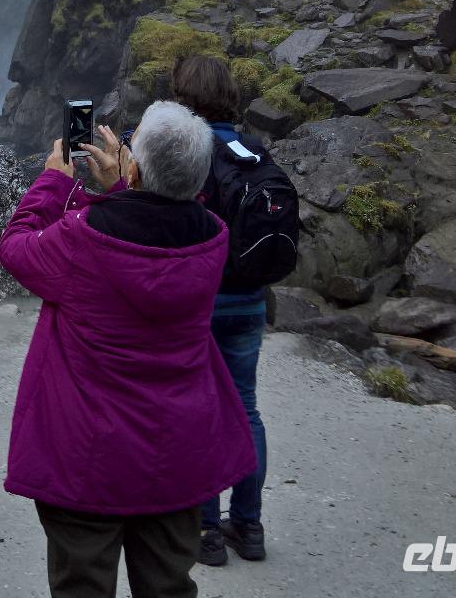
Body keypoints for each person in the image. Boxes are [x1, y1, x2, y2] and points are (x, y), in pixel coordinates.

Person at [0, 100, 256, 598]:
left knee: (83, 587)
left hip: (87, 454)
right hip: (176, 451)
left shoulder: (82, 239)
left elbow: (16, 249)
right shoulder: (212, 239)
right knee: (168, 586)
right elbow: (151, 240)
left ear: (134, 168)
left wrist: (52, 182)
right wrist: (123, 189)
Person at [169, 55, 268, 568]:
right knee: (245, 407)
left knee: (200, 409)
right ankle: (248, 525)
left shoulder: (187, 151)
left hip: (201, 300)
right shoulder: (252, 151)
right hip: (250, 298)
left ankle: (206, 529)